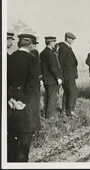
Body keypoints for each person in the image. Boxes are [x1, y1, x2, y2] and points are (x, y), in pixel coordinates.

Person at [7, 34, 41, 162]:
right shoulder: (32, 60)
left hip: (11, 107)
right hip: (27, 108)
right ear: (31, 45)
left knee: (11, 141)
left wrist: (11, 99)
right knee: (24, 144)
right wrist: (22, 101)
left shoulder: (10, 58)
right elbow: (32, 85)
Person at [40, 36, 63, 119]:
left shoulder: (42, 53)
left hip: (46, 78)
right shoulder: (51, 53)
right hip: (52, 79)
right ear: (50, 42)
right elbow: (53, 67)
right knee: (53, 97)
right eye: (54, 41)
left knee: (48, 96)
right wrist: (58, 77)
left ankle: (45, 114)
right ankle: (50, 116)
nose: (55, 43)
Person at [58, 32, 78, 117]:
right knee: (73, 92)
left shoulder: (64, 47)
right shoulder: (64, 48)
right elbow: (62, 62)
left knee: (67, 92)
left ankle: (64, 110)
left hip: (67, 74)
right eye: (72, 39)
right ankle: (70, 111)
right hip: (68, 74)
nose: (73, 41)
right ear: (67, 38)